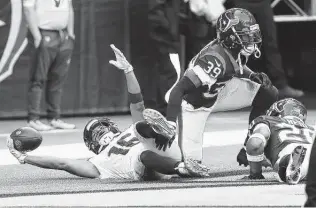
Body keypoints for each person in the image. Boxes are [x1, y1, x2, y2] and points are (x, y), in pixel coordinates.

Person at [7, 44, 210, 181]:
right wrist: (25, 158)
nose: (101, 133)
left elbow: (137, 102)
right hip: (157, 165)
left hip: (160, 145)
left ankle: (163, 132)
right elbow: (62, 163)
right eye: (96, 132)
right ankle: (183, 167)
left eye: (99, 129)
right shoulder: (96, 163)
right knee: (142, 153)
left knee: (140, 126)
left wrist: (128, 70)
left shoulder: (119, 140)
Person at [143, 8, 278, 165]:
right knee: (190, 165)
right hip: (194, 106)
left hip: (218, 93)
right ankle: (153, 145)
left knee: (268, 92)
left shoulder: (234, 48)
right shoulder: (214, 60)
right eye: (246, 36)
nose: (251, 40)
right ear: (231, 37)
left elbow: (236, 66)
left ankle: (249, 150)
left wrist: (251, 76)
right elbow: (178, 90)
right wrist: (170, 123)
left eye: (251, 34)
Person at [226, 0, 304, 98]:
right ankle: (234, 87)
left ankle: (280, 85)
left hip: (262, 3)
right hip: (241, 2)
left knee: (270, 43)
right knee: (239, 44)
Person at [23, 0, 76, 131]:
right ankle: (33, 119)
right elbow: (28, 9)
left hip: (62, 35)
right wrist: (36, 36)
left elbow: (69, 8)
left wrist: (70, 33)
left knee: (58, 78)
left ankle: (54, 118)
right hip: (43, 33)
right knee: (38, 78)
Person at [242, 98, 315, 185]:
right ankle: (295, 164)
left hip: (290, 149)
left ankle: (288, 161)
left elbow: (255, 144)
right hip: (312, 149)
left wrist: (255, 174)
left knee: (286, 166)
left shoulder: (267, 120)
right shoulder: (311, 128)